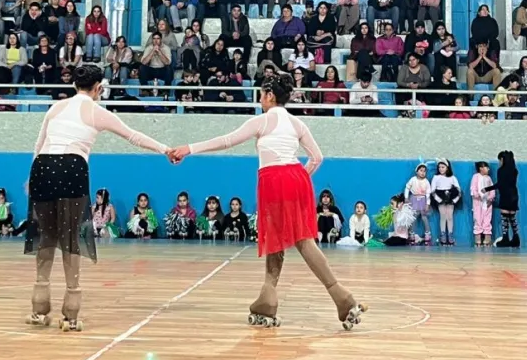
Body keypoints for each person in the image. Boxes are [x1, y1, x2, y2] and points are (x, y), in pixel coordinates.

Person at [168, 73, 367, 330]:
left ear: (270, 95)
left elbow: (227, 141)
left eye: (261, 94)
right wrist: (296, 179)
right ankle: (337, 298)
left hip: (274, 180)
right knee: (303, 240)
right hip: (297, 177)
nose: (260, 99)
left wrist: (188, 148)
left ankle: (275, 298)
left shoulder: (262, 121)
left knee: (277, 238)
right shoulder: (297, 124)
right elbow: (317, 158)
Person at [25, 65, 170, 329]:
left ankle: (39, 306)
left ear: (74, 86)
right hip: (71, 167)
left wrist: (30, 177)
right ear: (98, 88)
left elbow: (39, 143)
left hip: (42, 167)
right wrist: (165, 149)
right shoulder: (97, 111)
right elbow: (134, 137)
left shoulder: (55, 108)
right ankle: (70, 313)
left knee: (46, 236)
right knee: (71, 238)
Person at [484, 151, 519, 248]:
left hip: (506, 195)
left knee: (504, 218)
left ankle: (505, 238)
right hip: (514, 195)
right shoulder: (514, 170)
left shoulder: (501, 170)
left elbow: (500, 184)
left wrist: (487, 189)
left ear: (502, 159)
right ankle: (516, 238)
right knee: (512, 218)